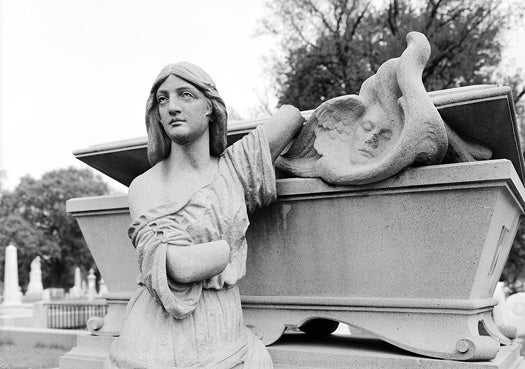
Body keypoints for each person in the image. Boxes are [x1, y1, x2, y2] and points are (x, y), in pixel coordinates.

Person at [104, 62, 304, 368]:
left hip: (222, 327)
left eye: (186, 95)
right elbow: (177, 267)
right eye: (162, 99)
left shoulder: (235, 168)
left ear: (210, 107)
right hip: (157, 335)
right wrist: (221, 252)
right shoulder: (144, 187)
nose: (172, 107)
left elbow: (290, 118)